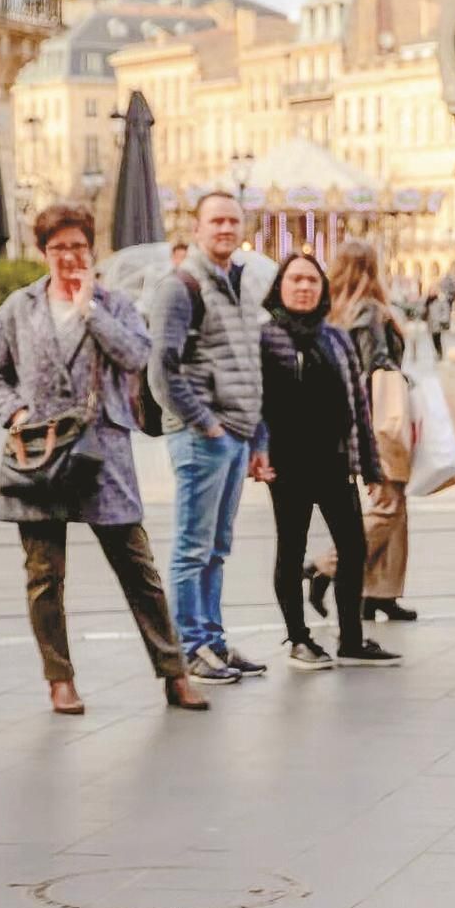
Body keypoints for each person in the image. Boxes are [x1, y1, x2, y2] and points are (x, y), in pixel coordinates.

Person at [0, 203, 207, 714]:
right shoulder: (19, 307)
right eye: (59, 247)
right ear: (44, 252)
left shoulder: (114, 302)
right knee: (43, 578)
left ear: (91, 248)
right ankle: (60, 679)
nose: (69, 256)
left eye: (77, 246)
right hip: (37, 453)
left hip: (104, 451)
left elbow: (137, 356)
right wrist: (14, 411)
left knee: (138, 568)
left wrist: (89, 311)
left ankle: (174, 674)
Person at [249, 254, 401, 669]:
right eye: (295, 279)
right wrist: (257, 451)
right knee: (291, 546)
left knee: (353, 547)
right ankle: (298, 639)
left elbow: (357, 405)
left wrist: (370, 465)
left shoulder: (336, 338)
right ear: (280, 286)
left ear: (323, 288)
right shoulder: (265, 338)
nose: (304, 287)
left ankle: (352, 639)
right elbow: (255, 404)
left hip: (334, 462)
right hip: (288, 465)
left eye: (312, 281)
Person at [148, 191, 266, 684]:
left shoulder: (238, 282)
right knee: (192, 548)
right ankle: (190, 648)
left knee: (217, 547)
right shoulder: (181, 287)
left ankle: (213, 641)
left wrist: (256, 438)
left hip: (235, 436)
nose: (225, 228)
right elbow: (162, 370)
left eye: (232, 221)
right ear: (196, 228)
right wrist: (208, 424)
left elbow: (248, 363)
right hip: (204, 437)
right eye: (215, 220)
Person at [312, 240, 418, 622]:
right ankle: (327, 566)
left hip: (352, 419)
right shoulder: (370, 311)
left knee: (397, 503)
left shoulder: (331, 314)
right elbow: (378, 368)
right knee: (389, 503)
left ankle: (380, 592)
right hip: (381, 420)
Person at [424, 280, 453, 359]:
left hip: (438, 324)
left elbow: (446, 310)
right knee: (434, 339)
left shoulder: (441, 299)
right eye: (430, 290)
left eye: (433, 290)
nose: (431, 291)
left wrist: (443, 320)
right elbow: (424, 311)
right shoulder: (428, 301)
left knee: (438, 339)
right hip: (431, 324)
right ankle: (438, 352)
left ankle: (440, 354)